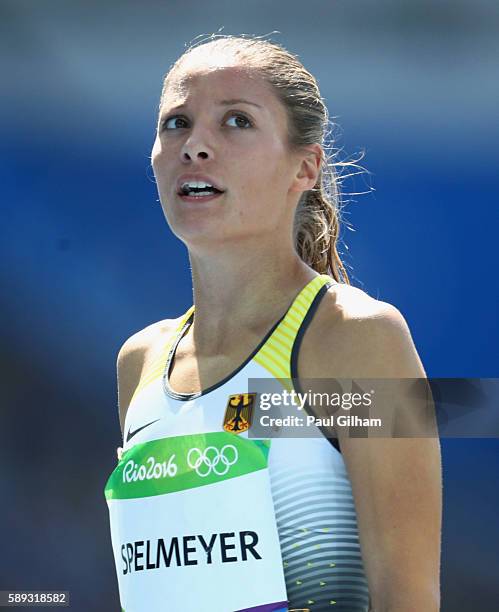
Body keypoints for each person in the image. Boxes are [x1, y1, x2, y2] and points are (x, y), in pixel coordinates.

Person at [105, 34, 442, 612]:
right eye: (176, 123)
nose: (196, 145)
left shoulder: (358, 337)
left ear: (305, 166)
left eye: (236, 121)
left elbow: (408, 597)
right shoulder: (139, 362)